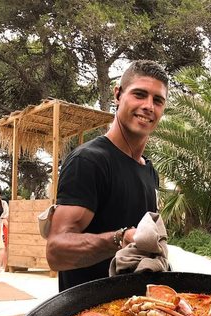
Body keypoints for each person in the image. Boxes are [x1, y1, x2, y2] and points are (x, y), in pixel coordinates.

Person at [46, 60, 168, 291]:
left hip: (137, 312)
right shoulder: (89, 161)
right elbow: (56, 252)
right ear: (118, 95)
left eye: (158, 100)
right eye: (139, 94)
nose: (149, 106)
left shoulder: (149, 170)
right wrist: (121, 238)